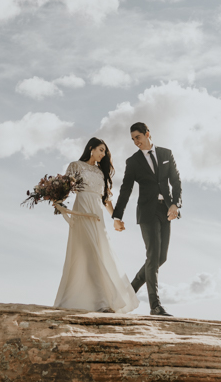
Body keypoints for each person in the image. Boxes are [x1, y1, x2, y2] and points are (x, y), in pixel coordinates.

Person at [53, 137, 140, 314]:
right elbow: (65, 189)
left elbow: (106, 199)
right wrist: (56, 199)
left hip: (97, 216)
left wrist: (115, 218)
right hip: (83, 211)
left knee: (100, 252)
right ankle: (103, 302)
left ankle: (100, 300)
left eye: (105, 152)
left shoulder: (101, 173)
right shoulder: (76, 166)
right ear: (91, 148)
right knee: (91, 252)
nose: (103, 154)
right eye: (101, 150)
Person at [112, 122, 182, 317]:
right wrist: (117, 216)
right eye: (133, 139)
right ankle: (155, 305)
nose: (136, 142)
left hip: (165, 211)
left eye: (138, 137)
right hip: (147, 213)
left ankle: (128, 292)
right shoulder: (133, 162)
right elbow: (126, 189)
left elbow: (175, 181)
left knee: (161, 258)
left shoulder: (166, 154)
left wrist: (176, 204)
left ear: (147, 134)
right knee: (152, 256)